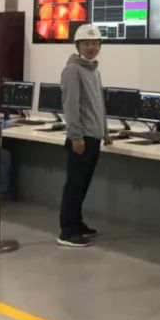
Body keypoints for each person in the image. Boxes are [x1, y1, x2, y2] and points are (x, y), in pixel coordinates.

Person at [58, 24, 110, 248]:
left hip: (94, 137)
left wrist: (105, 132)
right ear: (77, 46)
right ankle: (67, 231)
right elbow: (71, 106)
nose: (91, 47)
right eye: (86, 43)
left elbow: (99, 104)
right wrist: (75, 136)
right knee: (74, 185)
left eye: (95, 43)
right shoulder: (72, 70)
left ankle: (77, 224)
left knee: (83, 184)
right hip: (81, 139)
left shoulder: (94, 70)